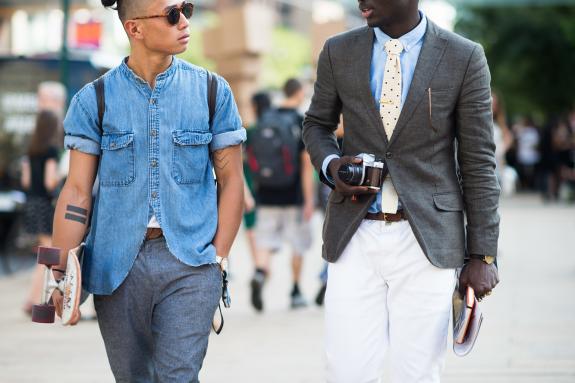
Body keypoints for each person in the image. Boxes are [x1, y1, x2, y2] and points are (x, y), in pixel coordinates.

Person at [303, 1, 500, 381]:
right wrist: (331, 165)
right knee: (347, 369)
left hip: (426, 238)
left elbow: (478, 161)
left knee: (418, 372)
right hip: (354, 233)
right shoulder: (338, 51)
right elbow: (316, 124)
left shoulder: (464, 56)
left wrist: (483, 255)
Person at [49, 1, 246, 381]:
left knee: (179, 375)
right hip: (115, 267)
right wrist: (59, 274)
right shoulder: (94, 100)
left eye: (186, 8)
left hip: (190, 264)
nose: (185, 21)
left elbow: (233, 182)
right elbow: (76, 192)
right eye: (172, 14)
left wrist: (216, 261)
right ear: (134, 29)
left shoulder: (212, 92)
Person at [248, 78, 315, 311]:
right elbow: (306, 166)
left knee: (265, 243)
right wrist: (309, 200)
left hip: (266, 194)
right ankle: (296, 291)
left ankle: (259, 272)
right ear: (298, 93)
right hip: (293, 195)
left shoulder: (265, 118)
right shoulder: (300, 121)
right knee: (298, 245)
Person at [21, 110, 62, 313]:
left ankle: (40, 299)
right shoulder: (52, 151)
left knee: (45, 254)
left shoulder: (31, 150)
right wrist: (61, 175)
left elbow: (26, 181)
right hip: (46, 206)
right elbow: (49, 181)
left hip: (32, 204)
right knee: (47, 256)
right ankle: (34, 300)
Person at [242, 92, 272, 274]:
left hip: (252, 183)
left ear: (254, 107)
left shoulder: (250, 132)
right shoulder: (277, 127)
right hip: (272, 185)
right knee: (267, 225)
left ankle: (259, 266)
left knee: (252, 226)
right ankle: (266, 263)